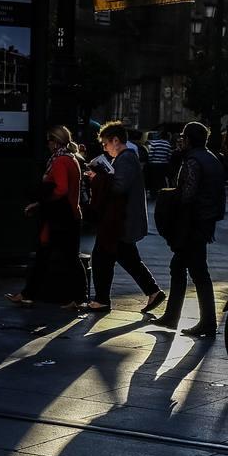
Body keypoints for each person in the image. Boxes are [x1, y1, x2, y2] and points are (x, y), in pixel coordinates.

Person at [151, 120, 226, 338]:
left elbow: (187, 195)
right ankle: (175, 315)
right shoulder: (212, 158)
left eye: (184, 136)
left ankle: (206, 322)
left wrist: (168, 195)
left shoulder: (193, 160)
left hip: (193, 222)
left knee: (198, 272)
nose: (181, 140)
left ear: (190, 139)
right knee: (181, 266)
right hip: (204, 221)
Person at [83, 120, 165, 314]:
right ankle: (152, 291)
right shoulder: (123, 158)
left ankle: (103, 300)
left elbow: (119, 186)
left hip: (120, 220)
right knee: (126, 258)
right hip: (119, 220)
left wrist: (98, 177)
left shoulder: (126, 158)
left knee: (104, 257)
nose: (104, 148)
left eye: (105, 144)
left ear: (116, 140)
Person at [4, 125, 87, 310]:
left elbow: (61, 189)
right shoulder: (71, 159)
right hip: (69, 214)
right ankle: (29, 295)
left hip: (61, 217)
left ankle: (75, 298)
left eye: (50, 141)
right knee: (59, 256)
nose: (48, 144)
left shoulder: (59, 162)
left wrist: (43, 200)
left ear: (55, 142)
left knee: (60, 257)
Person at [145, 128, 173, 202]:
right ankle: (161, 194)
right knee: (161, 180)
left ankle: (153, 195)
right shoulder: (168, 144)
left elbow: (151, 154)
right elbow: (169, 156)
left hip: (154, 165)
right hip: (163, 165)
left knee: (153, 180)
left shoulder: (154, 143)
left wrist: (150, 162)